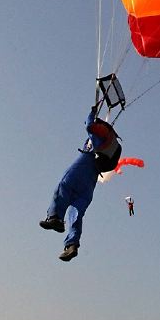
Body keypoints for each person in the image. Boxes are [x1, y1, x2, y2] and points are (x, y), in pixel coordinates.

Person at [40, 108, 121, 262]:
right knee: (76, 211)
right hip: (91, 181)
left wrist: (91, 113)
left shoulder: (100, 134)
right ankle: (72, 244)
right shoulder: (112, 144)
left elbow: (89, 125)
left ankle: (55, 217)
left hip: (84, 166)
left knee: (63, 186)